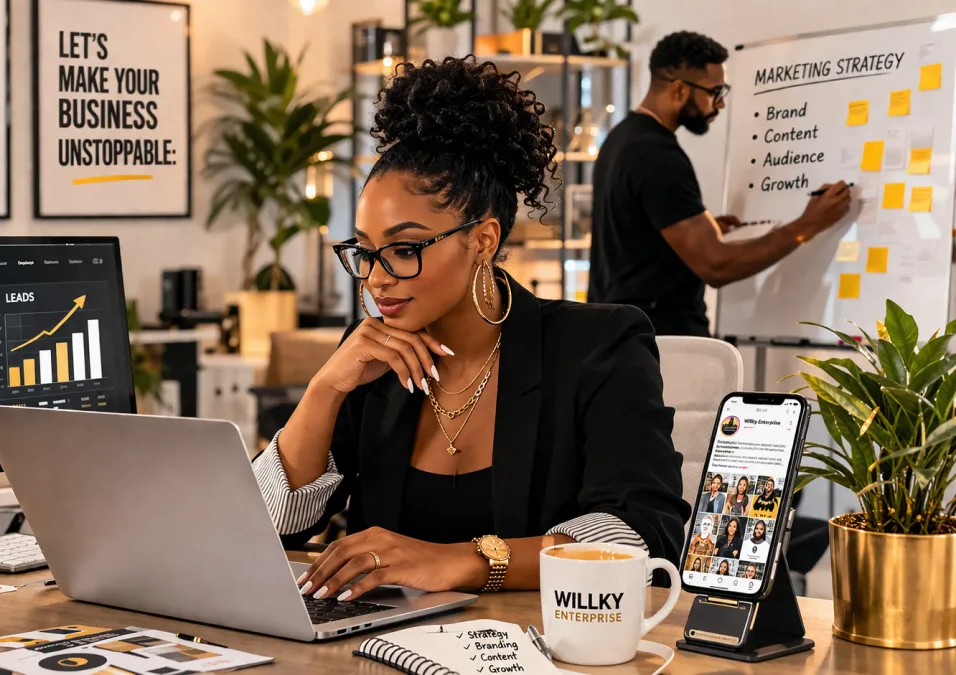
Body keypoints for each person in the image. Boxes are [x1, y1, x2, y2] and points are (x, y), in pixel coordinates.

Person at [253, 56, 689, 602]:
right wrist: (324, 391)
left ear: (482, 240)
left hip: (540, 649)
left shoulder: (597, 347)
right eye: (363, 251)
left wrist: (457, 562)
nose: (376, 278)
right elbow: (272, 526)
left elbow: (641, 534)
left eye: (405, 249)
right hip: (379, 649)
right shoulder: (371, 359)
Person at [588, 31, 853, 335]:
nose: (720, 105)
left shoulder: (621, 138)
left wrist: (698, 224)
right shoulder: (657, 156)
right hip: (661, 347)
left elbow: (632, 231)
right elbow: (717, 265)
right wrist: (806, 226)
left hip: (622, 335)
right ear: (679, 90)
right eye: (715, 92)